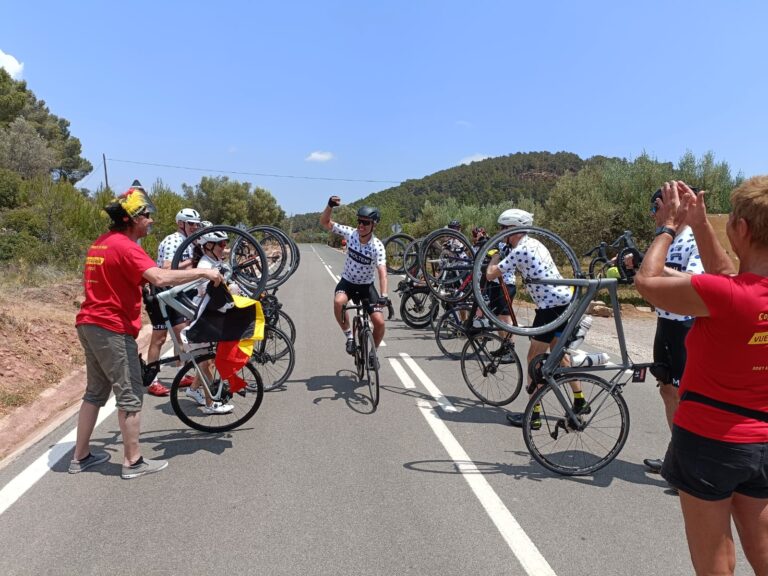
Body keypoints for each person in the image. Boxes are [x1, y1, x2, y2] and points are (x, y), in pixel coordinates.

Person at [634, 178, 768, 576]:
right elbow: (731, 277)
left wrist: (668, 228)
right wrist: (702, 225)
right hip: (760, 441)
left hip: (709, 442)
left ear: (741, 229)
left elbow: (647, 282)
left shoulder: (725, 296)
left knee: (715, 564)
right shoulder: (737, 293)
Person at [71, 185, 223, 479]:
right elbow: (160, 276)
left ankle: (80, 456)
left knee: (94, 392)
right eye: (146, 215)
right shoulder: (127, 247)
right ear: (131, 219)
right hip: (111, 327)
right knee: (130, 395)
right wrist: (204, 272)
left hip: (89, 323)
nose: (151, 220)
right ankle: (133, 462)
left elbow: (121, 279)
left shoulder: (102, 243)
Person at [485, 209, 588, 428]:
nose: (500, 233)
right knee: (558, 353)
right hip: (563, 302)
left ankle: (534, 416)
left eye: (504, 229)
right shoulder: (534, 243)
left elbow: (491, 274)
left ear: (514, 229)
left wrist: (493, 255)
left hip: (550, 308)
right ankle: (579, 400)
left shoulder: (521, 250)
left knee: (533, 358)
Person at [641, 187, 704, 474]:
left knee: (687, 398)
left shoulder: (694, 239)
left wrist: (654, 269)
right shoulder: (667, 239)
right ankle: (677, 457)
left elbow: (694, 280)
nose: (654, 214)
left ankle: (693, 466)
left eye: (657, 207)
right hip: (665, 322)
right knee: (667, 389)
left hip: (687, 327)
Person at [320, 196, 389, 367]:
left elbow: (382, 272)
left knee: (379, 323)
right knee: (338, 302)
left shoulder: (377, 246)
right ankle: (350, 337)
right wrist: (329, 206)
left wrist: (385, 295)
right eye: (359, 221)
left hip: (366, 287)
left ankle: (373, 354)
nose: (361, 225)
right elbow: (325, 223)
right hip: (348, 282)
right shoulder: (351, 234)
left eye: (365, 223)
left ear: (374, 225)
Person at [143, 207, 203, 396]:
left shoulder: (189, 241)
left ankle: (180, 373)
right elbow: (166, 268)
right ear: (181, 223)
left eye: (196, 224)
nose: (194, 227)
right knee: (160, 338)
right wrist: (192, 262)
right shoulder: (173, 240)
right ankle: (151, 380)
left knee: (181, 335)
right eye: (191, 223)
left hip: (175, 294)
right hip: (160, 293)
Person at [182, 228, 236, 415]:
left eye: (225, 244)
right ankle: (210, 403)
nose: (224, 247)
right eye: (221, 244)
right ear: (209, 246)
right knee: (206, 362)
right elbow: (207, 292)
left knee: (208, 359)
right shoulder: (205, 264)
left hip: (211, 315)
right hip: (203, 316)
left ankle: (193, 389)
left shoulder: (214, 260)